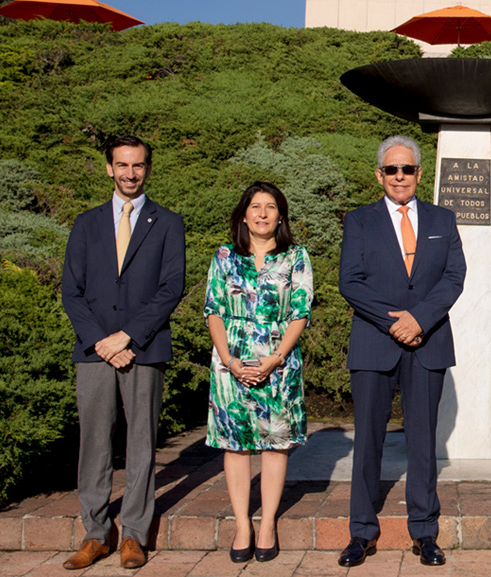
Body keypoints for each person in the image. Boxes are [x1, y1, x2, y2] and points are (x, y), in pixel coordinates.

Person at [337, 135, 466, 567]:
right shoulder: (359, 221)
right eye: (391, 169)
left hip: (427, 344)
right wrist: (396, 322)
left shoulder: (443, 220)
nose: (399, 176)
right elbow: (350, 282)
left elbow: (454, 276)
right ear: (379, 174)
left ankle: (425, 532)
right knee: (368, 442)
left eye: (406, 169)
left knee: (423, 443)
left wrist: (420, 319)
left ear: (418, 173)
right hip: (375, 343)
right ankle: (361, 533)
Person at [61, 135, 185, 570]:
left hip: (144, 349)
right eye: (122, 165)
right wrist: (103, 341)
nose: (130, 173)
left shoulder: (168, 222)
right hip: (94, 351)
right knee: (93, 443)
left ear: (148, 168)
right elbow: (71, 291)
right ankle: (96, 534)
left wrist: (127, 337)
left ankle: (134, 535)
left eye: (138, 165)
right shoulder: (86, 223)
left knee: (141, 444)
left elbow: (172, 288)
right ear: (108, 168)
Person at [204, 182, 312, 563]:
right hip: (229, 362)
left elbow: (300, 312)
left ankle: (266, 524)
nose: (262, 214)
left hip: (278, 363)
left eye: (270, 207)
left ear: (280, 215)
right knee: (235, 444)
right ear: (244, 214)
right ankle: (242, 525)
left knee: (274, 443)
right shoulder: (223, 256)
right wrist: (230, 361)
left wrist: (276, 358)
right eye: (255, 206)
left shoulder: (296, 256)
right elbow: (213, 310)